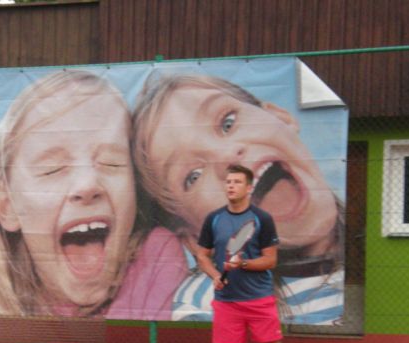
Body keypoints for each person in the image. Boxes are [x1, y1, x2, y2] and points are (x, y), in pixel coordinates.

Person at [132, 72, 344, 325]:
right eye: (193, 176)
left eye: (228, 123)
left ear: (280, 117)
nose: (226, 156)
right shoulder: (202, 302)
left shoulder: (374, 266)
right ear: (194, 237)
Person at [0, 69, 187, 319]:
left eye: (111, 163)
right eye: (53, 169)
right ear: (7, 205)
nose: (88, 185)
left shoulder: (154, 258)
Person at [195, 164, 319, 343]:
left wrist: (243, 263)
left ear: (249, 188)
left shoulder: (262, 219)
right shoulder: (214, 219)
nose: (231, 186)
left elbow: (270, 260)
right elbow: (202, 255)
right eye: (228, 182)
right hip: (227, 301)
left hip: (258, 298)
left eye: (237, 182)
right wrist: (215, 275)